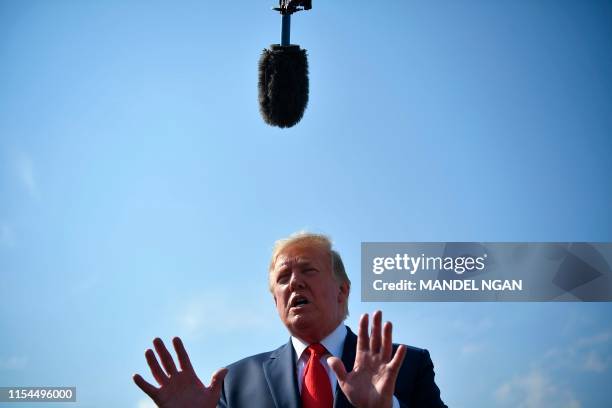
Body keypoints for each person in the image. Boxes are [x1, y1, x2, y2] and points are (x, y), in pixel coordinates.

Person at [134, 232, 447, 408]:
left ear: (342, 290)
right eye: (283, 278)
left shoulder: (406, 365)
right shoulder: (236, 384)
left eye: (308, 270)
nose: (294, 283)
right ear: (275, 301)